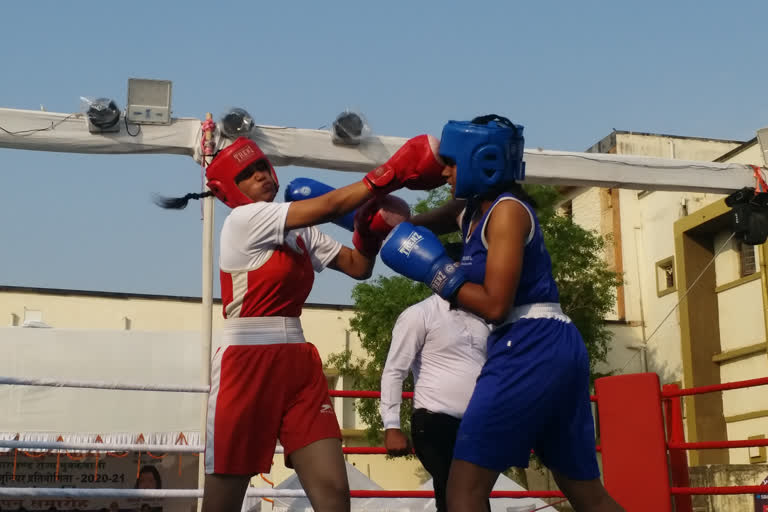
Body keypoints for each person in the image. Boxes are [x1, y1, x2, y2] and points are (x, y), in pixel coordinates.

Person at [155, 134, 445, 512]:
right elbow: (329, 205)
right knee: (222, 504)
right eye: (247, 173)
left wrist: (369, 234)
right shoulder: (243, 221)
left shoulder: (300, 229)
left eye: (262, 166)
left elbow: (358, 267)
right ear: (230, 188)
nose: (260, 175)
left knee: (334, 496)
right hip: (248, 362)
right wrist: (390, 174)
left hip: (298, 362)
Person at [380, 115, 626, 512]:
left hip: (527, 340)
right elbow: (422, 225)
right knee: (583, 491)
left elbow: (496, 305)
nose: (444, 170)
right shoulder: (472, 210)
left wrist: (437, 273)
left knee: (464, 491)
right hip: (548, 344)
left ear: (484, 161)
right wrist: (386, 226)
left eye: (452, 162)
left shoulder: (507, 212)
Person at [380, 291, 490, 512]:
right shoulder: (419, 314)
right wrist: (391, 425)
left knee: (473, 494)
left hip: (478, 424)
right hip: (434, 420)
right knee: (456, 491)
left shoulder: (484, 316)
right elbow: (394, 370)